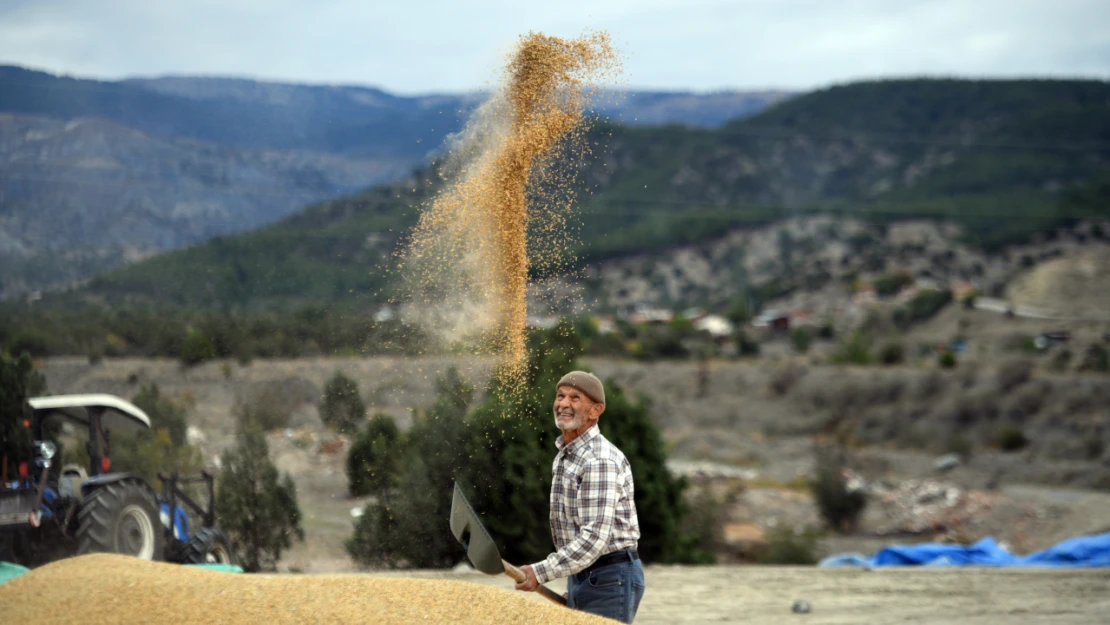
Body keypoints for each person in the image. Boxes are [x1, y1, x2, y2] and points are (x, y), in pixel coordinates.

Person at [514, 371, 645, 623]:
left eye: (575, 398)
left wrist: (540, 572)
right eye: (560, 396)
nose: (563, 404)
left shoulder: (598, 460)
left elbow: (595, 535)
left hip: (610, 578)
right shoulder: (567, 455)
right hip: (587, 575)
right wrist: (577, 584)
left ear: (595, 410)